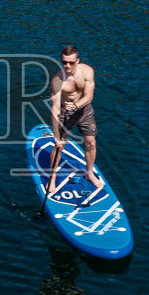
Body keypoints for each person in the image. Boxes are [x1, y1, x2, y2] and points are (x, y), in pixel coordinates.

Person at [48, 44, 103, 200]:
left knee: (91, 143)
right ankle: (52, 178)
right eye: (64, 62)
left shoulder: (87, 72)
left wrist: (76, 105)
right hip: (65, 113)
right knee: (59, 146)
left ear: (77, 61)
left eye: (71, 62)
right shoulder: (58, 80)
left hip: (84, 110)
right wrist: (56, 135)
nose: (68, 66)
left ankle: (89, 173)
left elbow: (89, 97)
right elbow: (56, 109)